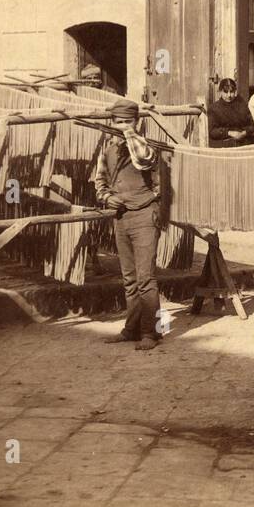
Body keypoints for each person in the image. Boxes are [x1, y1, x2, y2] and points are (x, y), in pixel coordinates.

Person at [91, 100, 164, 350]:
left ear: (137, 122)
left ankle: (152, 333)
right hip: (121, 217)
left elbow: (144, 160)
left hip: (144, 215)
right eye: (118, 122)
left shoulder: (145, 145)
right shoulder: (107, 149)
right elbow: (99, 181)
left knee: (146, 279)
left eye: (127, 122)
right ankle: (131, 329)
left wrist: (130, 135)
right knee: (129, 279)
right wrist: (107, 197)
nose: (122, 126)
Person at [207, 78, 254, 148]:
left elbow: (251, 126)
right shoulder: (214, 108)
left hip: (243, 145)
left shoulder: (242, 105)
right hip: (223, 146)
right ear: (220, 92)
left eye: (231, 92)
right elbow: (212, 131)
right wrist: (229, 133)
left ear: (235, 91)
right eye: (225, 92)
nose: (229, 95)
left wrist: (243, 133)